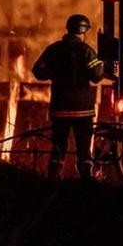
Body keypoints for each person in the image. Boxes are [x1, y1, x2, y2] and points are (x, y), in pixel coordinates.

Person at [32, 14, 104, 182]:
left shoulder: (54, 49)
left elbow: (37, 71)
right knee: (84, 147)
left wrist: (55, 74)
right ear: (83, 31)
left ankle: (53, 177)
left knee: (58, 145)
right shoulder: (86, 50)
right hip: (83, 109)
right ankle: (86, 178)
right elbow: (96, 76)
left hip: (60, 107)